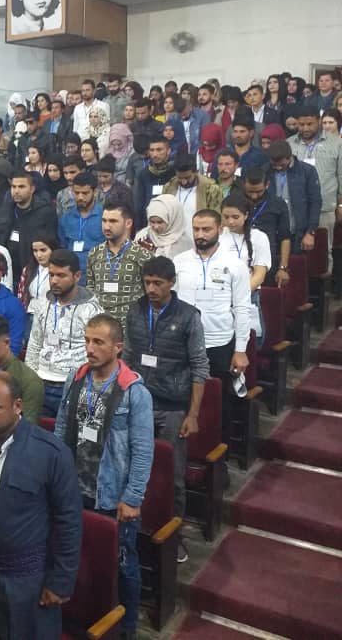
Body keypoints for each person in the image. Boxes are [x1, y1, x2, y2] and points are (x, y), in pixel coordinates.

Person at [0, 371, 81, 639]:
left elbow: (69, 522)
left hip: (24, 577)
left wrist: (61, 582)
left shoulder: (51, 453)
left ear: (17, 406)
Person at [54, 314, 153, 639]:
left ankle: (127, 628)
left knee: (123, 564)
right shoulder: (76, 378)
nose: (90, 348)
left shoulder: (134, 391)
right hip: (75, 489)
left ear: (117, 347)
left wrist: (132, 498)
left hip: (112, 495)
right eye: (87, 340)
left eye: (98, 342)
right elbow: (60, 430)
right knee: (79, 558)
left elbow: (143, 451)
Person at [123, 257, 208, 563]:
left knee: (173, 475)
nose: (151, 289)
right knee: (133, 469)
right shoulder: (135, 311)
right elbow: (128, 357)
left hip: (173, 408)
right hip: (139, 403)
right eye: (147, 282)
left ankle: (175, 537)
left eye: (158, 283)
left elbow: (199, 367)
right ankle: (136, 531)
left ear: (172, 283)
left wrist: (193, 414)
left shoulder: (188, 316)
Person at [173, 210, 252, 411]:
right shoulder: (179, 261)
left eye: (206, 229)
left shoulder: (235, 265)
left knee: (218, 401)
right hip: (184, 341)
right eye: (196, 229)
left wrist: (240, 350)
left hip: (219, 342)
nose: (200, 234)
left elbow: (242, 308)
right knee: (183, 397)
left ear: (220, 229)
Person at [25, 249, 103, 418]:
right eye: (51, 275)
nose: (54, 280)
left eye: (61, 275)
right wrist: (30, 380)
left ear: (77, 276)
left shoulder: (92, 310)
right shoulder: (42, 304)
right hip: (41, 382)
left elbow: (97, 353)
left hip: (74, 385)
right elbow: (34, 343)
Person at [288, 104, 342, 265]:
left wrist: (341, 205)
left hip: (325, 206)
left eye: (310, 124)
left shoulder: (336, 143)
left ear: (318, 121)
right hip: (296, 208)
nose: (305, 128)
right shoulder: (289, 143)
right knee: (296, 252)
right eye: (301, 124)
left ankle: (325, 282)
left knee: (324, 252)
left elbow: (341, 175)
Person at [85, 203, 151, 326]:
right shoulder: (94, 254)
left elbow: (150, 293)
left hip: (131, 325)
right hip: (101, 325)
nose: (107, 226)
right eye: (104, 221)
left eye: (113, 221)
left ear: (128, 223)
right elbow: (90, 288)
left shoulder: (143, 255)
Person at [265, 140, 322, 253]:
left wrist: (310, 232)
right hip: (272, 233)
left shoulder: (307, 171)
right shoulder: (265, 171)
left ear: (289, 157)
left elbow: (315, 202)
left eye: (282, 165)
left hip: (298, 233)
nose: (278, 168)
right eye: (274, 165)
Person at [242, 168, 293, 284]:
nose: (254, 196)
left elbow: (285, 238)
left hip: (268, 260)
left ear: (267, 185)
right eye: (250, 191)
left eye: (259, 191)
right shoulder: (236, 202)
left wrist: (283, 268)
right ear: (244, 184)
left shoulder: (278, 204)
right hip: (240, 258)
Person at [4, 169, 58, 278]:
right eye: (13, 187)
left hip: (32, 271)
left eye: (21, 187)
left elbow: (51, 243)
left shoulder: (45, 212)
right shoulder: (6, 210)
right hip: (8, 270)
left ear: (32, 189)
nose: (16, 191)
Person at [58, 172, 104, 276]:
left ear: (95, 192)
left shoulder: (105, 216)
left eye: (85, 193)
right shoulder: (66, 218)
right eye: (77, 193)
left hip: (98, 272)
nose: (80, 197)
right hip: (72, 274)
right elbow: (63, 246)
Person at [136, 194, 191, 259]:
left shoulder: (184, 243)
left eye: (160, 222)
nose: (156, 227)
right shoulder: (142, 236)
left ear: (172, 219)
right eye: (152, 222)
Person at [133, 136, 175, 215]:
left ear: (168, 151)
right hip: (149, 217)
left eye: (159, 150)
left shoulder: (175, 172)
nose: (155, 154)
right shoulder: (144, 173)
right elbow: (139, 203)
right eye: (152, 150)